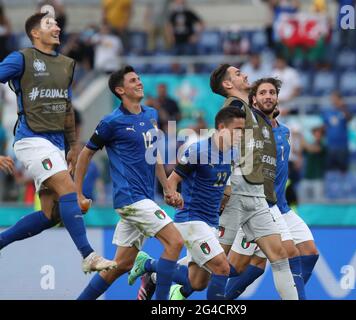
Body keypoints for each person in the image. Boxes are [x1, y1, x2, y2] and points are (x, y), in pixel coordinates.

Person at [0, 12, 115, 273]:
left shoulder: (65, 64)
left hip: (56, 144)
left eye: (57, 23)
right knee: (69, 191)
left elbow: (66, 107)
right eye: (49, 24)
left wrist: (72, 146)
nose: (57, 27)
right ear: (35, 33)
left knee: (51, 215)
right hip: (31, 139)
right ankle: (88, 255)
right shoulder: (21, 58)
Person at [75, 65, 184, 300]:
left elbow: (154, 154)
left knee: (120, 266)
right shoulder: (111, 122)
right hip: (131, 199)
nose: (139, 82)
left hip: (144, 198)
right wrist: (78, 194)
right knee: (175, 242)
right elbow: (85, 154)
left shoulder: (151, 114)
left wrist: (167, 188)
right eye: (133, 80)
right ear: (120, 90)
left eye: (139, 78)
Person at [128, 107, 246, 300]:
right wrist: (172, 194)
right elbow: (173, 180)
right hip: (192, 220)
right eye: (237, 129)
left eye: (243, 129)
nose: (241, 134)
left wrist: (227, 197)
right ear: (222, 127)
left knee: (197, 283)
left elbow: (223, 184)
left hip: (211, 222)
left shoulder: (231, 153)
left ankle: (149, 265)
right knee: (223, 268)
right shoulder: (198, 150)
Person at [207, 64, 298, 300]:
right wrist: (225, 187)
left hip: (257, 195)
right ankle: (154, 271)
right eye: (238, 73)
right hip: (236, 191)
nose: (245, 74)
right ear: (228, 85)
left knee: (280, 255)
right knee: (211, 268)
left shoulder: (247, 109)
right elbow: (221, 144)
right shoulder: (235, 107)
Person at [226, 78, 319, 300]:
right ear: (254, 100)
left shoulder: (284, 132)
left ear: (277, 98)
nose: (268, 96)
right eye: (263, 93)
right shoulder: (252, 126)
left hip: (280, 206)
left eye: (272, 93)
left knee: (308, 253)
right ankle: (184, 282)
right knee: (235, 267)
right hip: (256, 205)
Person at [322, 91, 351, 172]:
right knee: (330, 170)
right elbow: (325, 127)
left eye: (335, 99)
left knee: (343, 170)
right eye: (332, 99)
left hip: (342, 146)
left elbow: (349, 118)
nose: (333, 100)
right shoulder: (327, 112)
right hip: (331, 145)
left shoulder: (344, 111)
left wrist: (343, 107)